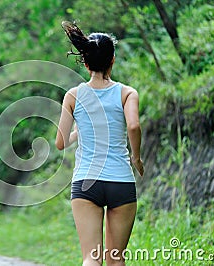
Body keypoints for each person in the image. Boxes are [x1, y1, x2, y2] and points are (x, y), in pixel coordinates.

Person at [55, 21, 144, 266]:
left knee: (90, 258)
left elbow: (60, 143)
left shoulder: (73, 95)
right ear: (112, 60)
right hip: (121, 181)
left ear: (85, 63)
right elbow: (134, 126)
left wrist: (77, 132)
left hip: (86, 182)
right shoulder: (127, 93)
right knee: (116, 260)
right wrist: (136, 157)